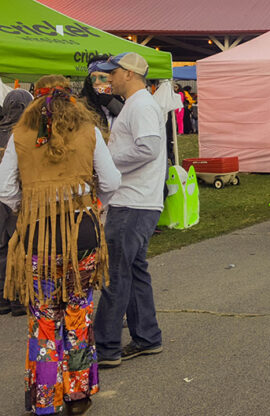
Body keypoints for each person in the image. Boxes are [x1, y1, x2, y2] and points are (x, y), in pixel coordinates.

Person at [0, 75, 121, 416]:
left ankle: (46, 399)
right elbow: (111, 181)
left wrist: (28, 206)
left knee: (45, 320)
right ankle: (78, 397)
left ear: (35, 101)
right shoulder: (89, 131)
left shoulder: (21, 135)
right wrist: (93, 206)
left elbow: (2, 187)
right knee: (78, 315)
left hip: (40, 238)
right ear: (71, 99)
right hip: (83, 236)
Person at [92, 52, 167, 369]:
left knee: (116, 274)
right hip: (137, 201)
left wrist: (106, 162)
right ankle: (147, 337)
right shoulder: (137, 104)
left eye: (113, 72)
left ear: (130, 74)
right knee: (133, 271)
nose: (108, 78)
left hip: (132, 202)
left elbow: (148, 148)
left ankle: (106, 347)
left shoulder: (141, 105)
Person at [0, 88, 33, 315]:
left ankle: (2, 297)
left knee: (1, 246)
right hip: (19, 197)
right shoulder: (26, 132)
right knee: (20, 246)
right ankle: (18, 298)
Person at [80, 56, 124, 131]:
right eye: (93, 78)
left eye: (102, 78)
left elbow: (129, 118)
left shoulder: (125, 99)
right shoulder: (82, 103)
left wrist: (112, 103)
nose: (97, 82)